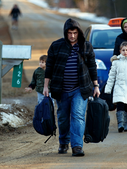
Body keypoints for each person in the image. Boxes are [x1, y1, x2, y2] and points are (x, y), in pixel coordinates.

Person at [43, 18, 100, 157]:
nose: (72, 36)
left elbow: (92, 67)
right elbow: (49, 67)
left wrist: (96, 86)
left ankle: (77, 146)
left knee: (78, 115)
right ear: (65, 33)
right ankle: (63, 142)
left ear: (79, 32)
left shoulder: (86, 46)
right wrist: (46, 86)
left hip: (80, 89)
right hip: (61, 89)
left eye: (75, 33)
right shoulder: (56, 46)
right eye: (69, 33)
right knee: (62, 118)